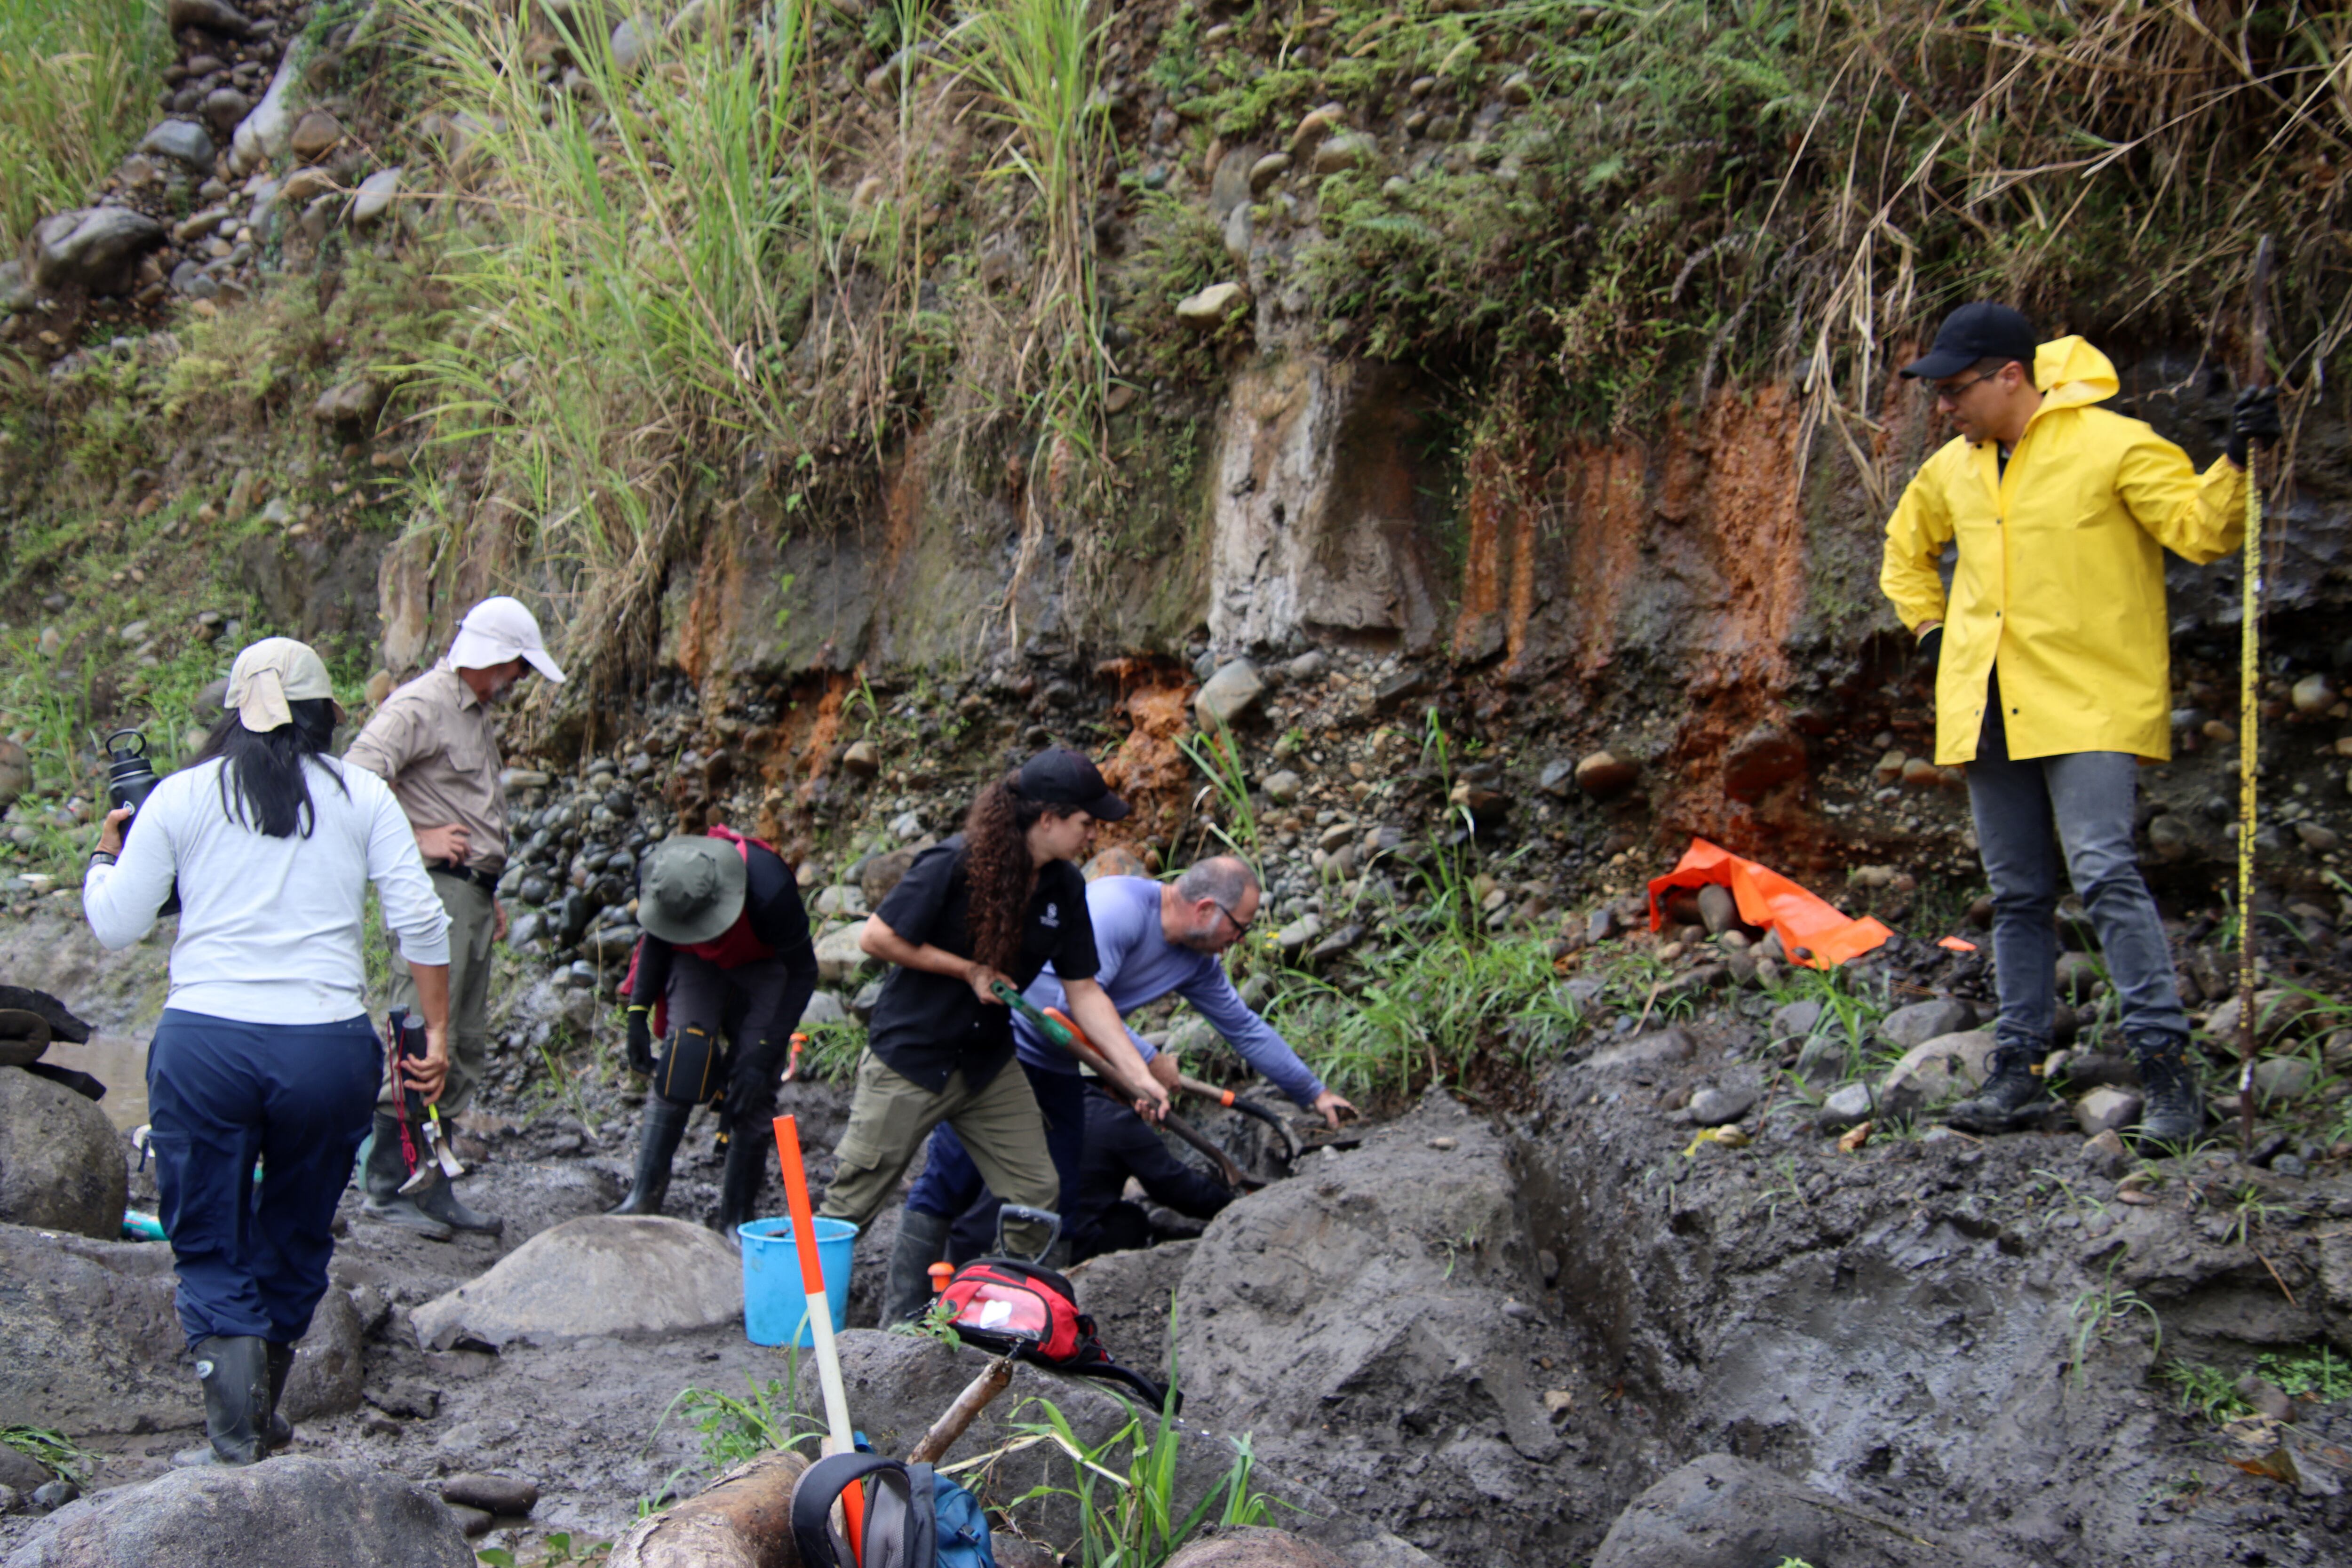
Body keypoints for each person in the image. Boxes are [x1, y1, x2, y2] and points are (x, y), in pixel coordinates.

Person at [1879, 301, 2280, 1143]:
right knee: (2017, 892)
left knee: (2103, 872)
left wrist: (2239, 458)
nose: (1943, 407)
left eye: (1954, 389)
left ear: (2011, 375)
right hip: (1985, 702)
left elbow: (2202, 528)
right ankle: (2018, 1070)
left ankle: (2169, 1073)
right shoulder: (1954, 468)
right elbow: (1903, 552)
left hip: (2088, 696)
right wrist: (1930, 629)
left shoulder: (2113, 444)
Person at [82, 638, 453, 1467]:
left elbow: (114, 924)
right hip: (325, 1050)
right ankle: (261, 1413)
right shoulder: (361, 794)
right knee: (295, 1230)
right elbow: (423, 921)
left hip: (205, 1043)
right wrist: (437, 1030)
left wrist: (110, 849)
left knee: (210, 1233)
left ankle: (236, 1433)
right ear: (329, 716)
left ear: (230, 711)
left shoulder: (178, 797)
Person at [899, 856, 1355, 1308]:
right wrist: (1147, 1062)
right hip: (998, 1049)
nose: (1239, 940)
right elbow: (1068, 1002)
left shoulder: (1195, 962)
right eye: (1240, 927)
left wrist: (1314, 1092)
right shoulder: (1116, 908)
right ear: (1205, 909)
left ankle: (1031, 1319)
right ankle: (903, 1316)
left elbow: (1243, 1026)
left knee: (1059, 1197)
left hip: (1060, 1069)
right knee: (951, 1178)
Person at [816, 749, 1171, 1291]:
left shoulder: (1065, 886)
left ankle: (1005, 1321)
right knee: (851, 1201)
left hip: (987, 1065)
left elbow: (1084, 991)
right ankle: (799, 1333)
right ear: (1047, 819)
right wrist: (969, 971)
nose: (1091, 834)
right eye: (1084, 822)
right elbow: (877, 938)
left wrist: (1135, 1074)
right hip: (912, 1056)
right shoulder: (953, 863)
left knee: (1036, 1190)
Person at [343, 595, 565, 1237]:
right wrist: (418, 839)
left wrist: (485, 888)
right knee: (418, 1037)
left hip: (465, 894)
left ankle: (432, 1185)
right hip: (432, 892)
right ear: (492, 658)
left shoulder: (470, 713)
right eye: (518, 668)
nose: (518, 681)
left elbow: (467, 806)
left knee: (462, 1042)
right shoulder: (421, 705)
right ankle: (387, 1187)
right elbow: (355, 775)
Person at [611, 825, 818, 1235]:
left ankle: (736, 1218)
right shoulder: (661, 872)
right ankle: (645, 1194)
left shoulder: (769, 891)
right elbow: (656, 938)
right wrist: (636, 1013)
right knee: (682, 1059)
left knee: (752, 1086)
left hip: (767, 965)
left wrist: (764, 1051)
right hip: (696, 959)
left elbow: (803, 972)